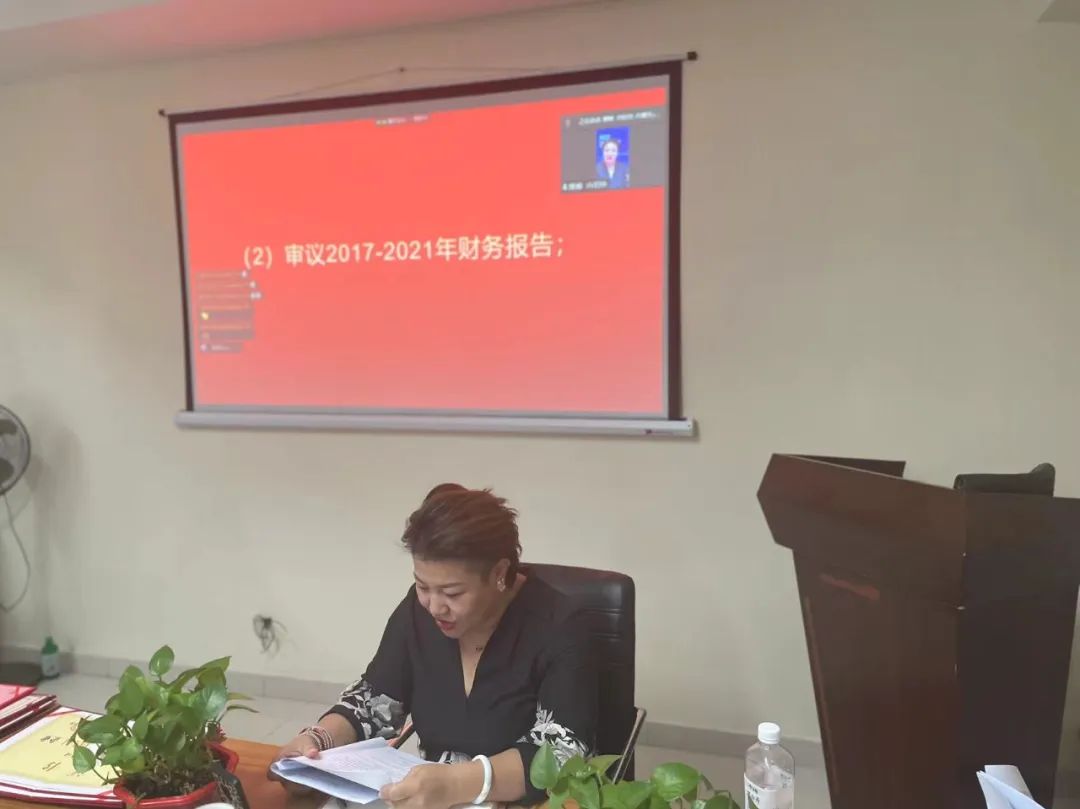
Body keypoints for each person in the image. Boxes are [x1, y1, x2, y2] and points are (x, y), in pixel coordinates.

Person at [271, 484, 597, 809]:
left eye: (453, 593)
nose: (435, 607)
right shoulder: (419, 611)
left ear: (499, 573)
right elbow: (375, 700)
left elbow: (561, 751)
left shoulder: (561, 626)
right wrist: (317, 742)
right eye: (422, 586)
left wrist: (457, 784)